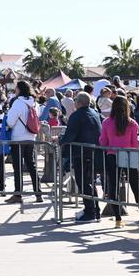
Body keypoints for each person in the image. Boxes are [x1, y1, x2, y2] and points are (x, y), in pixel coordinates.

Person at [99, 96, 139, 228]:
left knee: (113, 188)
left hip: (112, 155)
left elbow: (103, 142)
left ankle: (118, 219)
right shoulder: (132, 123)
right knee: (136, 188)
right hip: (130, 156)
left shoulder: (106, 122)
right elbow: (135, 144)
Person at [60, 91, 102, 222]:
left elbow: (70, 135)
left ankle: (90, 212)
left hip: (82, 153)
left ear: (79, 102)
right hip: (94, 153)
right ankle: (94, 210)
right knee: (90, 182)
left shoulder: (77, 115)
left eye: (75, 100)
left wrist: (61, 141)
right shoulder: (95, 113)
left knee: (84, 183)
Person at [6, 80, 43, 204]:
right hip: (31, 137)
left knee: (17, 167)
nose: (14, 90)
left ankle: (18, 194)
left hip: (18, 138)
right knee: (31, 165)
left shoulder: (17, 102)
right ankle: (38, 193)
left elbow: (10, 122)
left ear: (20, 89)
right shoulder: (34, 103)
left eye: (16, 88)